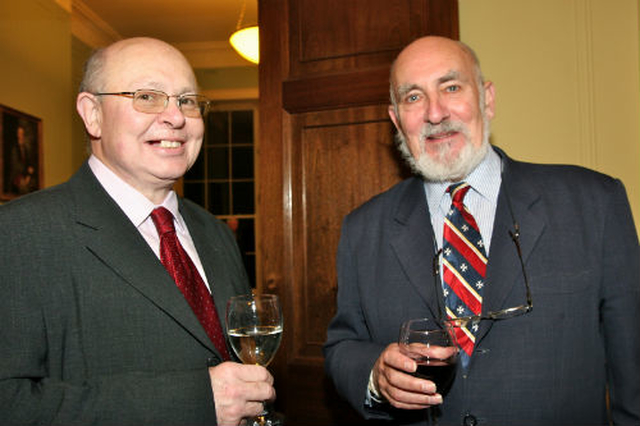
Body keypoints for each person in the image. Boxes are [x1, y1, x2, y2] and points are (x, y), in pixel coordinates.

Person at [323, 36, 639, 425]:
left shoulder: (594, 204)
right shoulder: (363, 229)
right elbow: (342, 346)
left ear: (487, 99)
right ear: (395, 119)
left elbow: (633, 372)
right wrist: (374, 375)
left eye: (451, 87)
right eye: (413, 97)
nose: (435, 113)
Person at [0, 37, 275, 426]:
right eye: (148, 96)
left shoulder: (215, 233)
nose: (176, 117)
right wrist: (191, 402)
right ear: (92, 113)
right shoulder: (19, 234)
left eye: (187, 100)